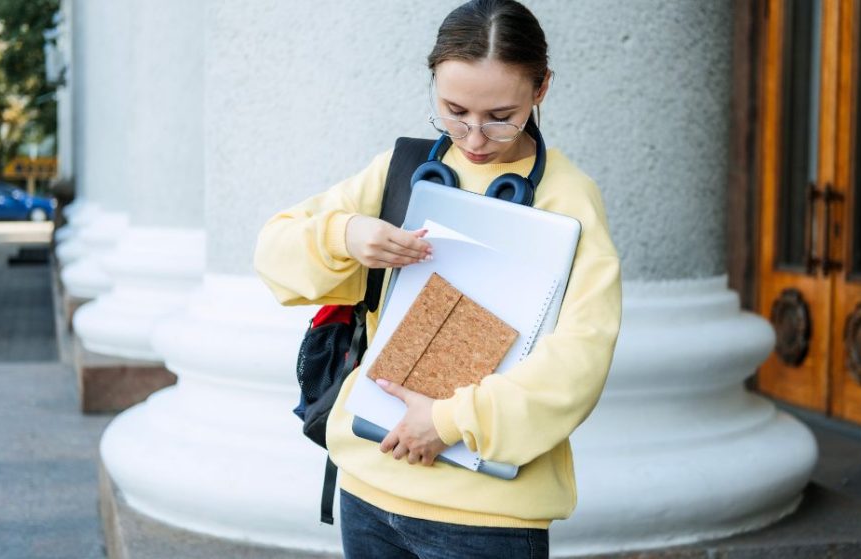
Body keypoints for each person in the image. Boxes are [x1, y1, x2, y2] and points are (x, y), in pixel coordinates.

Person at [254, 1, 621, 556]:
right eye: (453, 110)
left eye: (502, 115)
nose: (474, 137)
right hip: (368, 486)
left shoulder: (568, 200)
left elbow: (581, 359)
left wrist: (451, 421)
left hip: (485, 518)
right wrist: (347, 236)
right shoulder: (401, 169)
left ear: (541, 88)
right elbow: (274, 250)